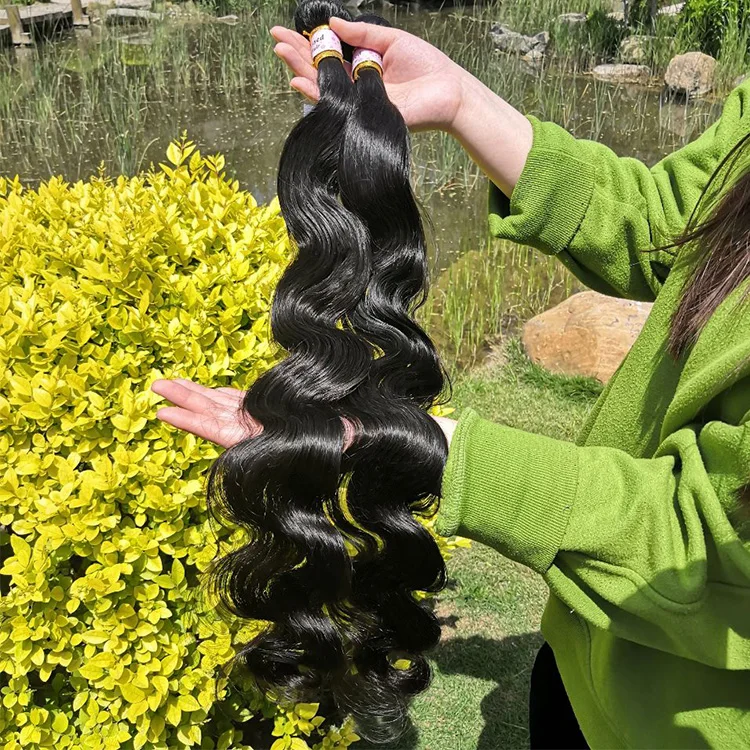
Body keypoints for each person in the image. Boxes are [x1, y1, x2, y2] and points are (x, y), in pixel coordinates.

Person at [149, 18, 750, 749]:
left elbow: (715, 539)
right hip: (590, 656)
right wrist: (461, 100)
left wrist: (421, 444)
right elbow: (679, 223)